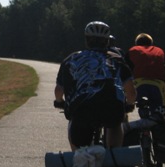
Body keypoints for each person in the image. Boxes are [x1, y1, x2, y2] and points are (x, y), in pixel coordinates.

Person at [54, 21, 137, 150]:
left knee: (79, 149)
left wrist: (59, 101)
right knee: (116, 122)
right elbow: (131, 92)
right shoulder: (117, 59)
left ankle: (80, 159)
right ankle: (114, 155)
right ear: (107, 42)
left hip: (81, 109)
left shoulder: (71, 59)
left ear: (86, 40)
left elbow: (59, 90)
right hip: (111, 107)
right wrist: (130, 104)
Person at [126, 32, 165, 167]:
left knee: (125, 114)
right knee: (157, 121)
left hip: (137, 86)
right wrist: (163, 94)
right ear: (151, 43)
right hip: (157, 88)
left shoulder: (132, 52)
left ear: (136, 43)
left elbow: (124, 75)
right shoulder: (161, 52)